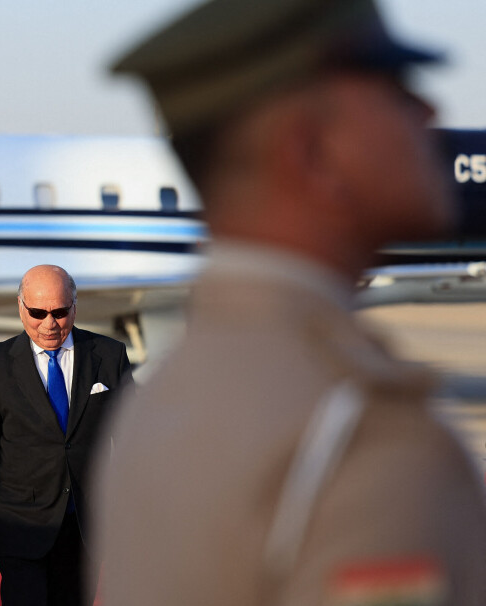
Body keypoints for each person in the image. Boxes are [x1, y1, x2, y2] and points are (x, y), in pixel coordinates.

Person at [95, 0, 486, 604]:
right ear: (313, 154)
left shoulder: (168, 391)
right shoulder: (366, 434)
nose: (431, 110)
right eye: (396, 88)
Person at [0, 264, 133, 606]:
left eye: (60, 312)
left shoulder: (109, 356)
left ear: (75, 306)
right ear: (21, 308)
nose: (49, 323)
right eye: (38, 313)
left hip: (85, 530)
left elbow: (135, 443)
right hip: (20, 527)